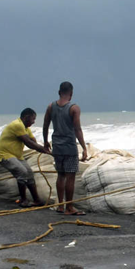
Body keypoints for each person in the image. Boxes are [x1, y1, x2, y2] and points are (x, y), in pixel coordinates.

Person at [43, 81, 88, 215]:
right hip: (69, 146)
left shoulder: (51, 106)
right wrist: (84, 147)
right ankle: (69, 207)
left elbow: (45, 125)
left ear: (59, 92)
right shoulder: (74, 108)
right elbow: (77, 129)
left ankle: (60, 206)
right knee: (70, 177)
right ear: (71, 94)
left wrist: (45, 141)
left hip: (57, 145)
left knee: (61, 175)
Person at [0, 108, 51, 207]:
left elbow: (33, 141)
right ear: (26, 117)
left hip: (17, 156)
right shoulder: (17, 125)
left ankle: (36, 200)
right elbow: (28, 143)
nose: (34, 122)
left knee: (29, 174)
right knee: (22, 172)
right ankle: (23, 200)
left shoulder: (26, 128)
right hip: (5, 154)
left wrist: (44, 148)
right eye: (33, 119)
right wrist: (42, 149)